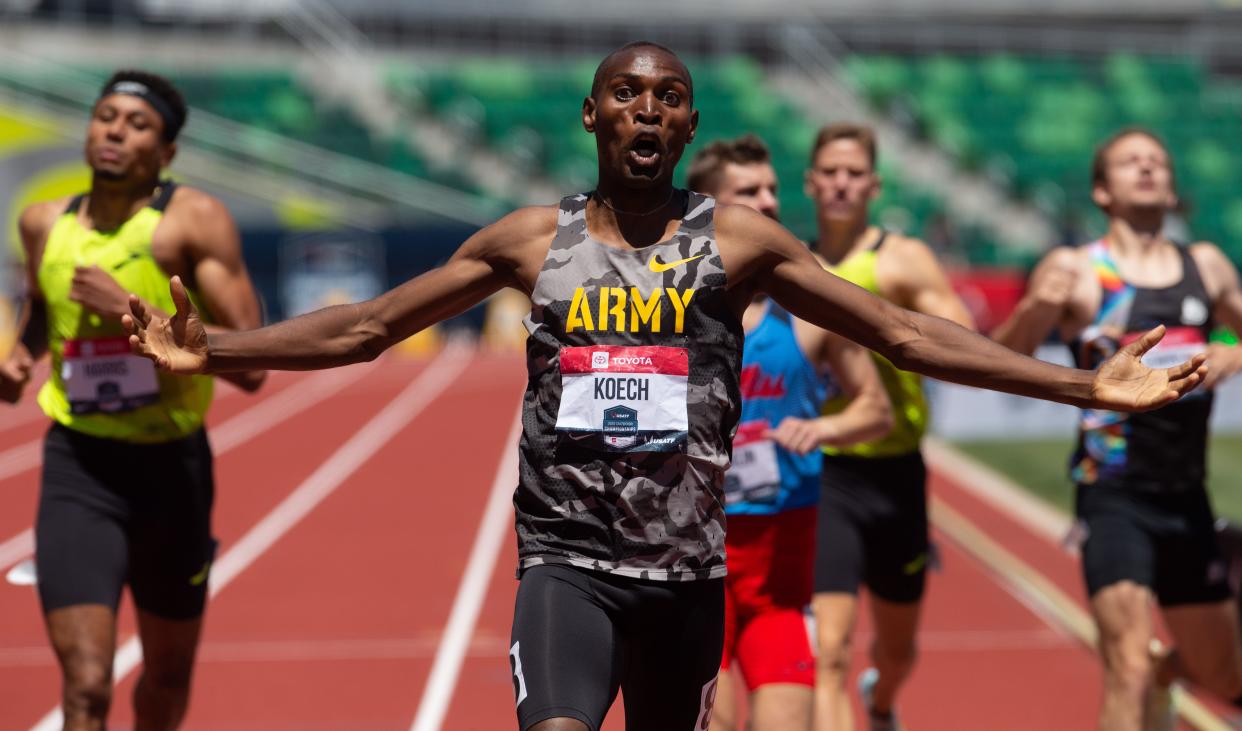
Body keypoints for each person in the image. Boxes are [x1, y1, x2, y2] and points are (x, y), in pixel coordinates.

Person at [125, 45, 1204, 731]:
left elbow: (898, 329)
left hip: (688, 567)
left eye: (670, 99)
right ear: (593, 117)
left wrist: (1084, 389)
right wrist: (214, 352)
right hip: (567, 564)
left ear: (688, 129)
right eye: (628, 95)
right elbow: (366, 326)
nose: (648, 110)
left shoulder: (734, 241)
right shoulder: (524, 242)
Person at [0, 70, 266, 730]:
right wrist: (20, 353)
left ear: (167, 152)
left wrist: (133, 311)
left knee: (167, 675)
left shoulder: (192, 223)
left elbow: (256, 357)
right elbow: (40, 309)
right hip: (78, 468)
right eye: (105, 116)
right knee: (87, 684)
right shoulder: (41, 223)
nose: (116, 130)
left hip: (171, 469)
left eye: (138, 123)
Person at [992, 127, 1242, 730]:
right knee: (1124, 663)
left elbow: (1240, 333)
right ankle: (1145, 676)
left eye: (1158, 161)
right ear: (1102, 191)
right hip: (1113, 494)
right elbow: (1000, 361)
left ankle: (1168, 674)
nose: (1149, 169)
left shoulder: (1204, 264)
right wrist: (1034, 309)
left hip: (1185, 495)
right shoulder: (1078, 268)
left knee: (1226, 676)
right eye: (1133, 162)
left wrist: (1227, 352)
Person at [687, 134, 893, 731]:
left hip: (781, 565)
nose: (770, 200)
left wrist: (821, 427)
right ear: (709, 207)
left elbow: (875, 410)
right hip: (698, 557)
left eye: (773, 188)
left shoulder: (805, 308)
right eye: (749, 191)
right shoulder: (673, 311)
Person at [802, 122, 976, 731]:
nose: (841, 184)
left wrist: (919, 322)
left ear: (874, 184)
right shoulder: (794, 265)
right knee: (828, 652)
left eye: (854, 173)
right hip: (826, 474)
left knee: (897, 650)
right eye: (830, 172)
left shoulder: (901, 259)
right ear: (811, 182)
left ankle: (881, 701)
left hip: (899, 474)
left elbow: (961, 337)